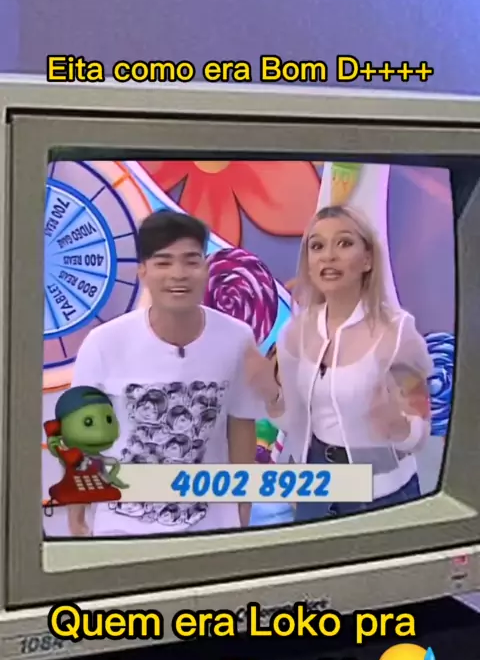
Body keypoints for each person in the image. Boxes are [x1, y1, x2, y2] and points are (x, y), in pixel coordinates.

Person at [66, 210, 260, 537]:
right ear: (143, 271)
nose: (178, 274)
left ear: (206, 268)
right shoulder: (104, 343)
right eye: (163, 262)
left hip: (212, 525)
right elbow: (81, 436)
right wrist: (77, 513)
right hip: (122, 527)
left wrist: (243, 507)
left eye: (191, 261)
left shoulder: (237, 338)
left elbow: (242, 425)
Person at [246, 205, 434, 521]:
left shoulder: (398, 332)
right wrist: (272, 396)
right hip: (317, 489)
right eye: (317, 246)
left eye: (344, 243)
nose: (328, 256)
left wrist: (398, 426)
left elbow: (420, 430)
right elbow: (294, 423)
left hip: (383, 495)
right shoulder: (295, 333)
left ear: (368, 259)